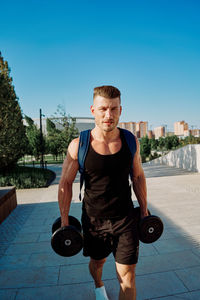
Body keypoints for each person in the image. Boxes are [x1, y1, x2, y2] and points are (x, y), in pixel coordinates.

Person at [58, 85, 148, 300]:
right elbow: (66, 183)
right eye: (103, 109)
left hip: (125, 218)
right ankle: (98, 285)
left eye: (114, 109)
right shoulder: (79, 145)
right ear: (93, 110)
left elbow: (138, 177)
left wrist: (144, 211)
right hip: (93, 220)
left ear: (120, 110)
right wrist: (64, 221)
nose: (109, 115)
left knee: (128, 276)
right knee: (97, 263)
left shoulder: (130, 141)